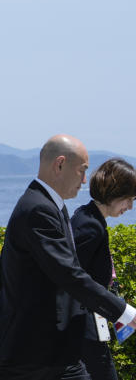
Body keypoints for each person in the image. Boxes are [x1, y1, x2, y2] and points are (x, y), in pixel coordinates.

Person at [0, 135, 136, 380]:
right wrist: (123, 311)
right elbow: (69, 273)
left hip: (53, 349)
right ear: (60, 164)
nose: (84, 181)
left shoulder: (51, 206)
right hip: (33, 348)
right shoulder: (39, 209)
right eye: (82, 171)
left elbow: (2, 266)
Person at [69, 158, 136, 380]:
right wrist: (120, 309)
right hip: (82, 327)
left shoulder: (87, 216)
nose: (130, 207)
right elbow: (73, 278)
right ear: (114, 194)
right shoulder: (90, 227)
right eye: (129, 199)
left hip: (85, 324)